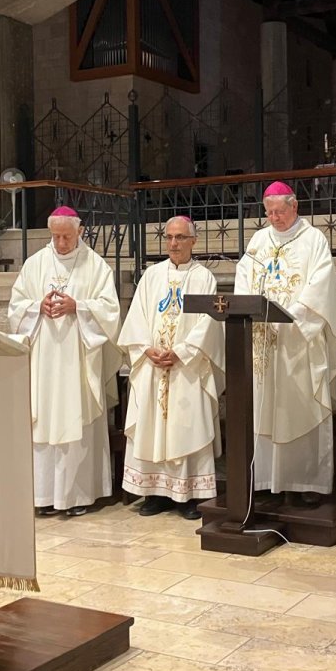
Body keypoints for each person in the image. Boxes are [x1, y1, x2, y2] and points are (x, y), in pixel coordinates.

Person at [234, 182, 336, 501]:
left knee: (298, 408)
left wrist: (289, 316)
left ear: (294, 207)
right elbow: (243, 275)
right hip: (263, 339)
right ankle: (268, 482)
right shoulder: (258, 240)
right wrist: (254, 309)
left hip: (298, 341)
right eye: (269, 212)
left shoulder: (313, 240)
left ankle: (305, 484)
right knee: (264, 409)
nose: (274, 218)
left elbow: (320, 286)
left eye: (280, 211)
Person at [8, 206, 121, 516]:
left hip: (78, 360)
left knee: (77, 417)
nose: (60, 243)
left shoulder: (96, 266)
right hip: (44, 358)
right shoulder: (35, 264)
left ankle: (78, 497)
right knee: (43, 421)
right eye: (55, 236)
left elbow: (110, 311)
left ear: (79, 231)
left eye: (66, 236)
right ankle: (43, 497)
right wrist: (36, 307)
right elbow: (16, 307)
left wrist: (78, 307)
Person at [118, 216, 224, 520]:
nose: (174, 244)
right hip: (153, 365)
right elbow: (136, 317)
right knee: (153, 425)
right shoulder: (151, 276)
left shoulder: (204, 278)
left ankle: (190, 494)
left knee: (186, 425)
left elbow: (210, 323)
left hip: (186, 368)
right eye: (169, 238)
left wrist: (181, 352)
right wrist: (144, 348)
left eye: (180, 237)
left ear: (193, 241)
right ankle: (155, 493)